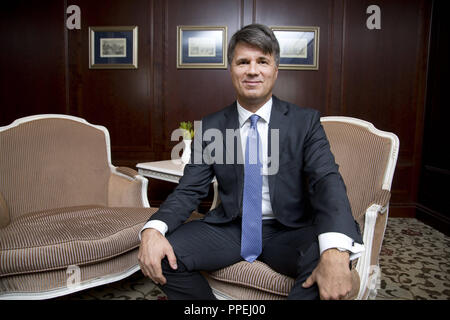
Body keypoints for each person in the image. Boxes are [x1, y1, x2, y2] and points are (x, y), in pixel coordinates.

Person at [138, 24, 364, 300]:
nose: (253, 70)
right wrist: (153, 229)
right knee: (162, 256)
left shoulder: (304, 122)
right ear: (231, 70)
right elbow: (189, 190)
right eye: (243, 62)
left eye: (262, 62)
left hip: (290, 231)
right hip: (232, 228)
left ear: (275, 70)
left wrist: (334, 250)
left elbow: (326, 180)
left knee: (329, 258)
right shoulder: (212, 127)